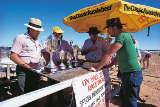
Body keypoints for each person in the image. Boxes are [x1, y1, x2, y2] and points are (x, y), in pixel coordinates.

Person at [91, 18, 143, 107]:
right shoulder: (124, 36)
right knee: (125, 99)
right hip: (129, 74)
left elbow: (109, 54)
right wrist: (109, 65)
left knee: (130, 102)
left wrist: (97, 67)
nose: (108, 32)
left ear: (114, 27)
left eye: (108, 29)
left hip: (131, 74)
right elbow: (119, 56)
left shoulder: (121, 36)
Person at [10, 18, 44, 94]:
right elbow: (13, 56)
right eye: (37, 30)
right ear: (30, 29)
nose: (39, 33)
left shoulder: (37, 41)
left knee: (34, 92)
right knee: (25, 93)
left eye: (39, 31)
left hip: (36, 71)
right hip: (24, 70)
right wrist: (27, 66)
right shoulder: (20, 38)